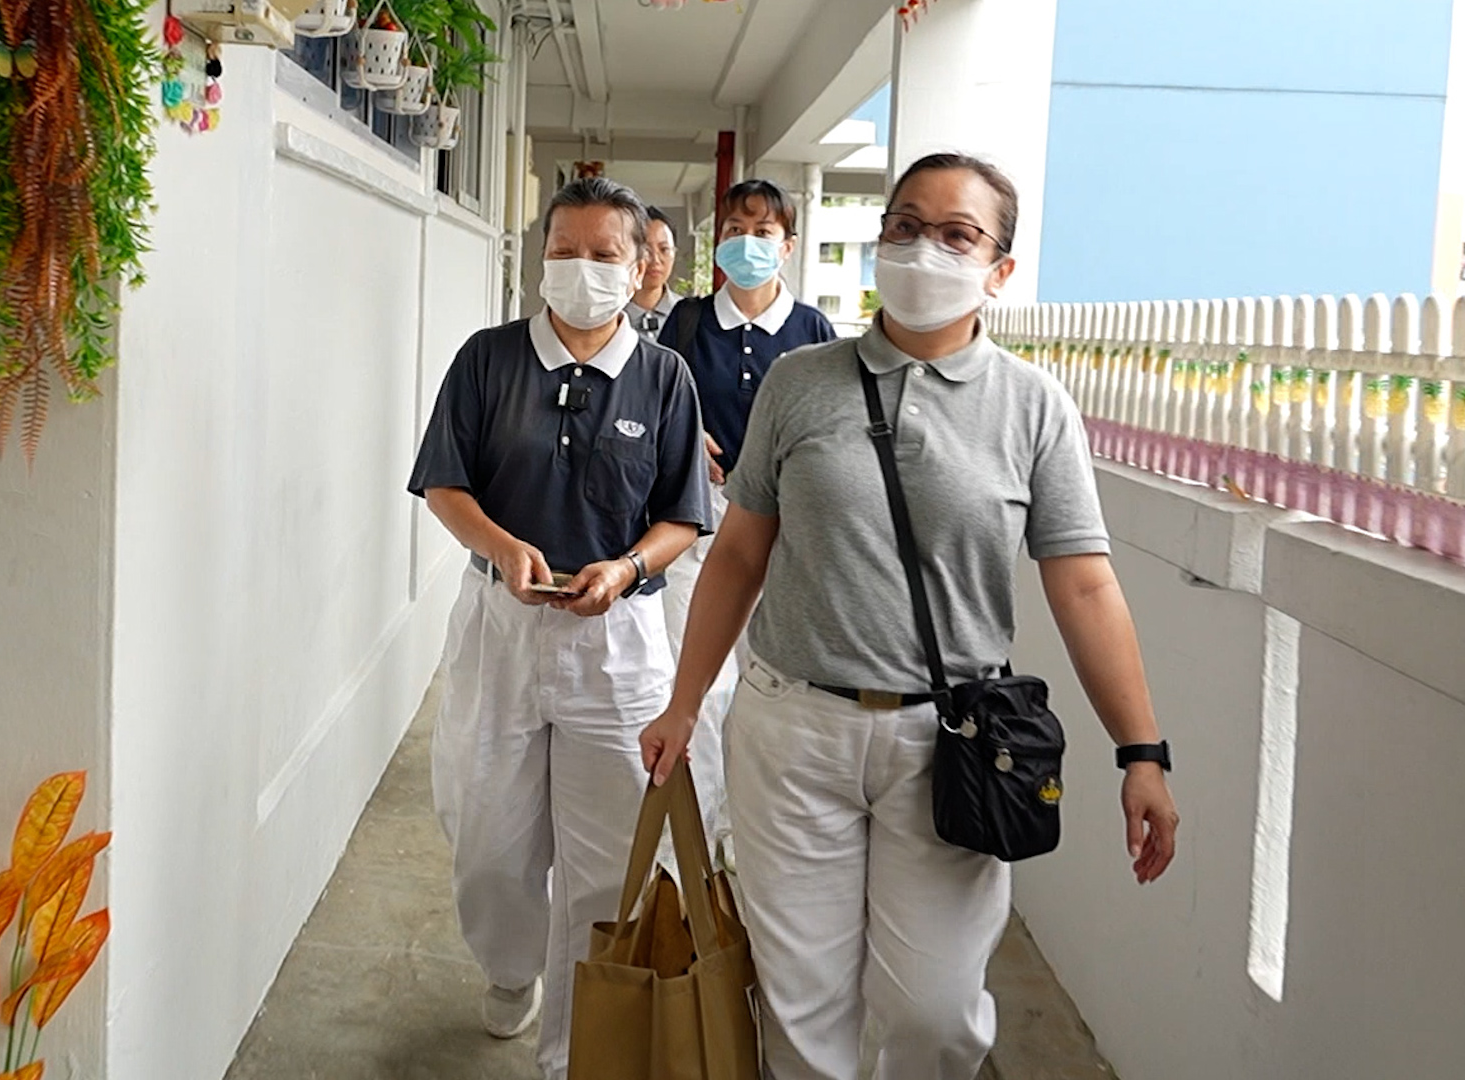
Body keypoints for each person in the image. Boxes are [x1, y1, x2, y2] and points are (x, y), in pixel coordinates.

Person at [638, 153, 1181, 1080]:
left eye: (958, 234)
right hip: (792, 725)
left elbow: (1085, 585)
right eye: (905, 224)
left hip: (952, 745)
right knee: (803, 1004)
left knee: (934, 1016)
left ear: (1000, 269)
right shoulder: (802, 382)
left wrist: (1142, 753)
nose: (924, 247)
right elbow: (737, 554)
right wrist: (685, 703)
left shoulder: (1033, 407)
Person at [408, 177, 713, 1080]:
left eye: (604, 254)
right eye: (566, 251)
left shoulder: (665, 377)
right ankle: (509, 971)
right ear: (541, 258)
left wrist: (627, 568)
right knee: (489, 837)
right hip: (502, 627)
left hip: (617, 645)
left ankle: (573, 1049)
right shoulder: (489, 359)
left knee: (605, 855)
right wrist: (503, 548)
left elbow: (683, 517)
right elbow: (444, 483)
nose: (583, 270)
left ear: (641, 266)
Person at [660, 179, 837, 852]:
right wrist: (688, 431)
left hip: (781, 533)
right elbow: (661, 399)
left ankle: (750, 825)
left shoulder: (812, 331)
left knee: (766, 682)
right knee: (695, 677)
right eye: (735, 231)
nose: (747, 245)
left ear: (787, 247)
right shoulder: (689, 322)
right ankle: (697, 826)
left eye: (763, 234)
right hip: (698, 525)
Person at [626, 206, 682, 342]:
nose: (655, 260)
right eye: (645, 250)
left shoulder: (689, 314)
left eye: (664, 249)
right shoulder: (609, 314)